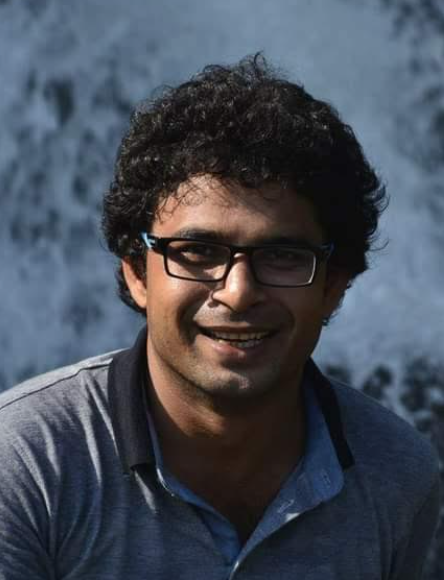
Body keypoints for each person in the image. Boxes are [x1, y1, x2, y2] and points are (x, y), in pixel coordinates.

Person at [0, 55, 440, 580]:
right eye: (197, 251)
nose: (238, 292)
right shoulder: (26, 461)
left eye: (282, 256)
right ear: (137, 274)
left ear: (333, 286)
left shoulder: (397, 473)